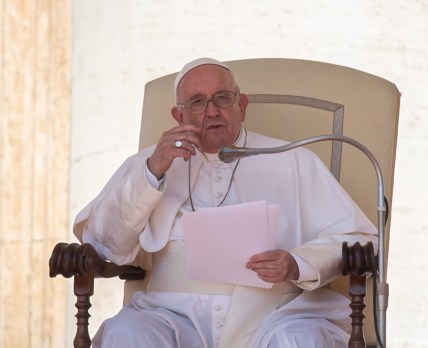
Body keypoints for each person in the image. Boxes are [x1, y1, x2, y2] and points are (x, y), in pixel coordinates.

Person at [73, 57, 377, 347]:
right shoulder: (150, 163)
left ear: (241, 106)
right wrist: (152, 172)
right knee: (129, 333)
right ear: (179, 116)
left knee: (300, 339)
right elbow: (104, 243)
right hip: (170, 315)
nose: (211, 111)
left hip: (274, 317)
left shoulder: (293, 160)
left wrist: (298, 263)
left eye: (222, 98)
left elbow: (362, 240)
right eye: (197, 102)